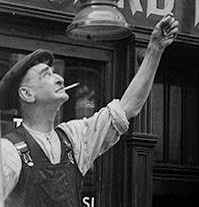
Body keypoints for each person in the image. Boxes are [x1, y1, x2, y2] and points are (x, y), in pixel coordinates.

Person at [0, 14, 179, 205]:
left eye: (55, 73)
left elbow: (127, 108)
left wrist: (154, 50)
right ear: (27, 94)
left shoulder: (73, 138)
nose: (59, 78)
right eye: (46, 75)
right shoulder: (8, 151)